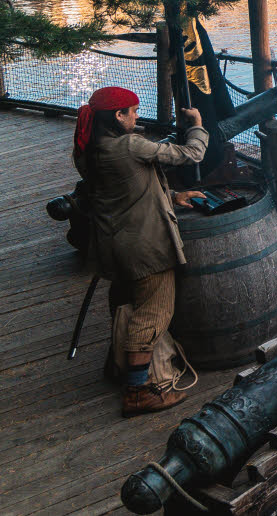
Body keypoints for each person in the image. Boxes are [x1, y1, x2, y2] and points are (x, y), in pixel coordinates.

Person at [73, 87, 208, 416]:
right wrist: (197, 125)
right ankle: (137, 391)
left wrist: (173, 196)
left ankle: (117, 367)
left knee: (125, 304)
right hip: (144, 247)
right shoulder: (130, 145)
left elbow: (127, 185)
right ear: (117, 116)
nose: (136, 116)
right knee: (153, 312)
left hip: (112, 244)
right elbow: (191, 154)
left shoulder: (88, 150)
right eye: (132, 111)